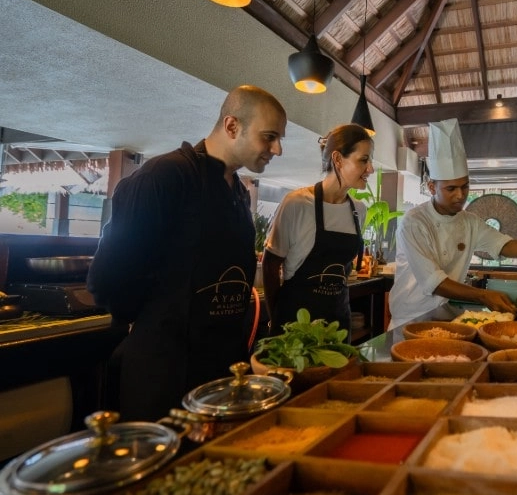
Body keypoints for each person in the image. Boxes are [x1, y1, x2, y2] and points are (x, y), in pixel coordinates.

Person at [87, 84, 287, 422]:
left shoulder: (237, 192)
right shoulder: (164, 176)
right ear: (232, 126)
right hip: (166, 370)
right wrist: (156, 325)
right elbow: (110, 277)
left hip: (222, 367)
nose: (277, 149)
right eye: (270, 137)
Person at [388, 118, 517, 329]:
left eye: (465, 187)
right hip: (409, 319)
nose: (460, 195)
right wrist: (483, 295)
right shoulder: (414, 222)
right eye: (451, 189)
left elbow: (502, 244)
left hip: (445, 315)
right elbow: (435, 282)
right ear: (432, 187)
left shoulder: (469, 221)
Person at [261, 124, 373, 336]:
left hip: (337, 323)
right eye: (364, 160)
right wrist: (277, 320)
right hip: (295, 325)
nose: (371, 169)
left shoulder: (359, 210)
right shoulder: (297, 203)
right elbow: (270, 265)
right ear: (338, 159)